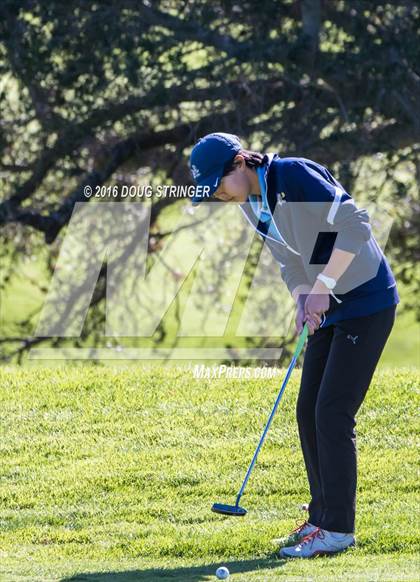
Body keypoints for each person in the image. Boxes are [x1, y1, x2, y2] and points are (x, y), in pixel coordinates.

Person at [188, 132, 399, 558]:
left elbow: (356, 224)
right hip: (327, 305)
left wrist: (323, 284)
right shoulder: (251, 205)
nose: (218, 195)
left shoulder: (295, 175)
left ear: (241, 164)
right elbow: (288, 259)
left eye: (218, 184)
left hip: (367, 301)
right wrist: (304, 295)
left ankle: (338, 530)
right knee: (308, 411)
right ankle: (321, 519)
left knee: (332, 412)